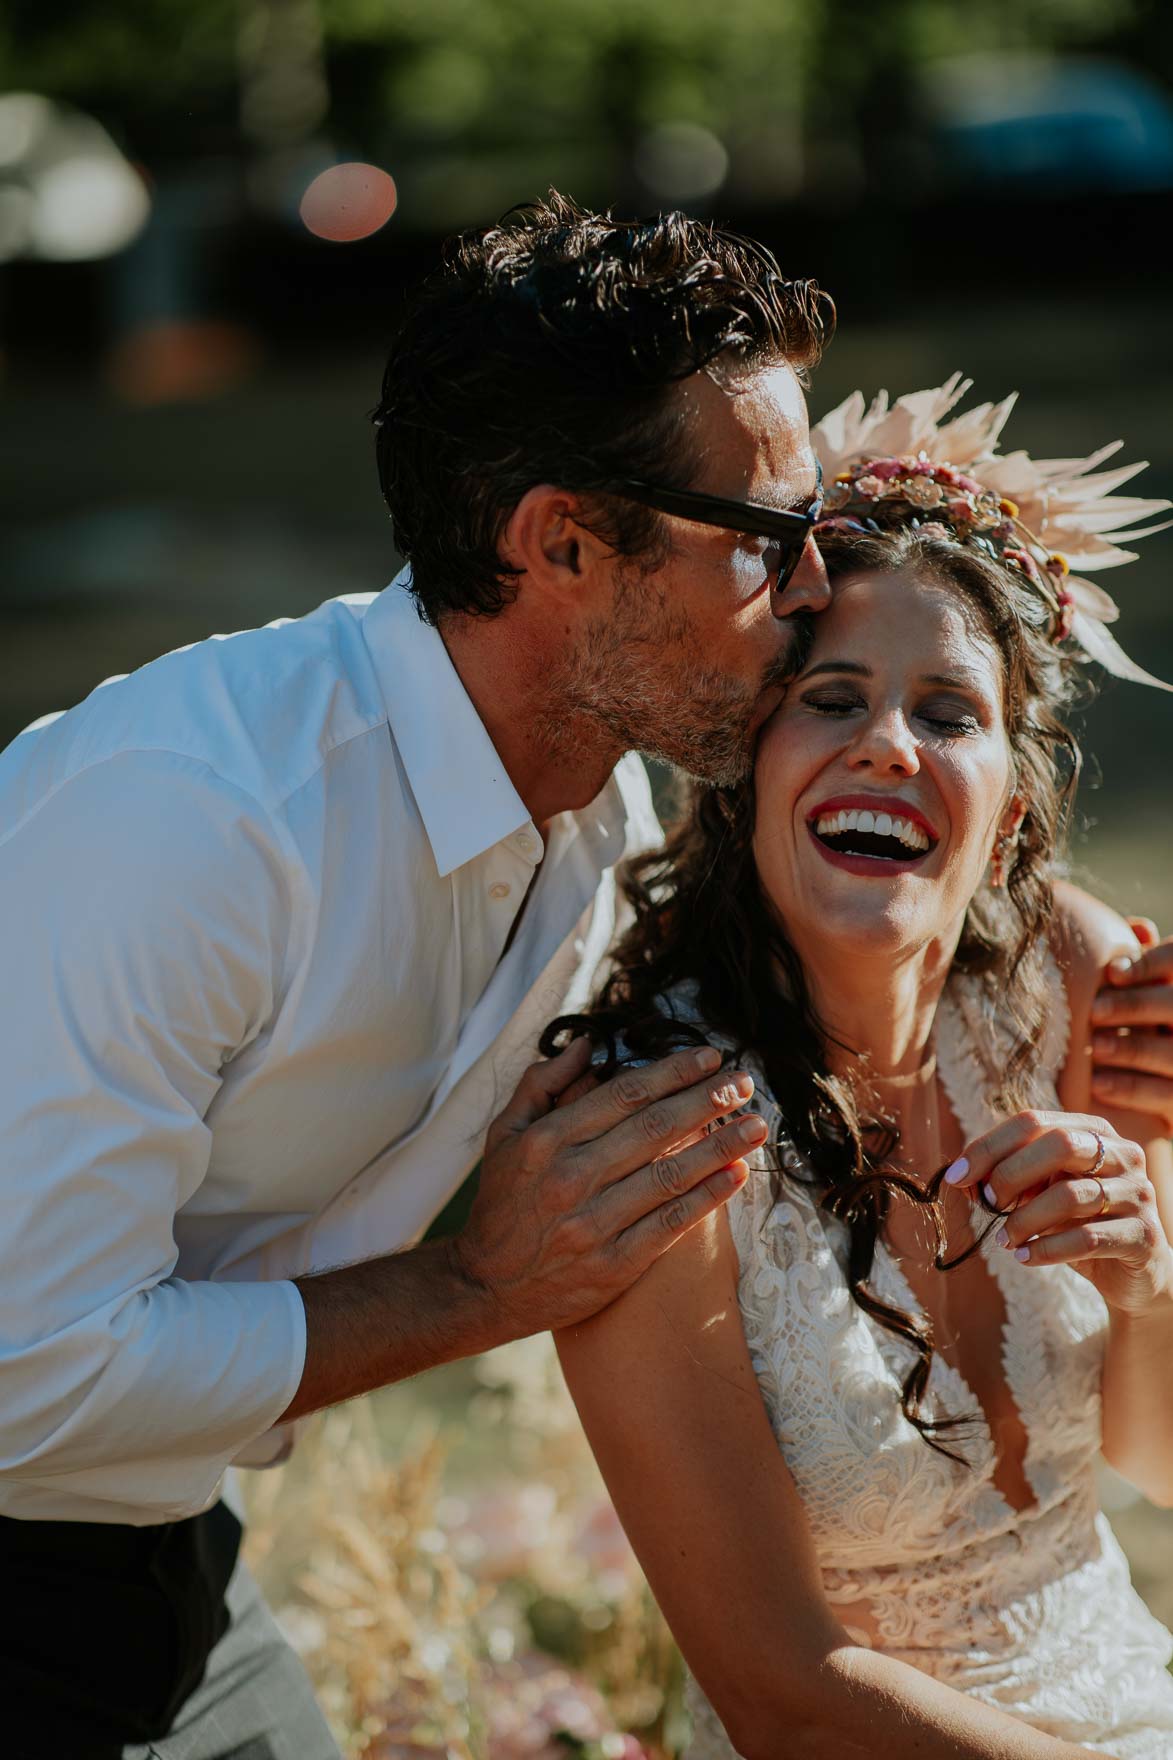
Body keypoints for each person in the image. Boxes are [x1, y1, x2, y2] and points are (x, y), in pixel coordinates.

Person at [0, 193, 833, 1759]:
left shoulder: (597, 787)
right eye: (775, 539)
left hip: (160, 1555)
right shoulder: (200, 828)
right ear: (561, 541)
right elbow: (21, 1376)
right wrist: (471, 1292)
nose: (812, 590)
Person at [550, 377, 1173, 1758]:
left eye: (947, 713)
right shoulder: (650, 1122)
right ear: (744, 766)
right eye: (830, 698)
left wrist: (1144, 1279)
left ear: (1009, 801)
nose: (888, 740)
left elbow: (1156, 1460)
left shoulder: (1066, 978)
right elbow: (780, 1689)